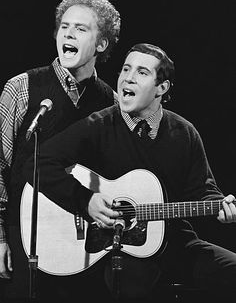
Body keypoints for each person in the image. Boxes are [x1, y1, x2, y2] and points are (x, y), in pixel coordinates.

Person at [23, 42, 236, 303]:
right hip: (117, 251)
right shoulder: (99, 125)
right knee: (132, 286)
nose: (128, 78)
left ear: (162, 88)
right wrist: (85, 200)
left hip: (175, 244)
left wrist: (219, 206)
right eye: (126, 68)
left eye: (142, 72)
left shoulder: (184, 132)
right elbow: (39, 161)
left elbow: (203, 191)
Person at [0, 0, 121, 302]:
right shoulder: (22, 88)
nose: (69, 33)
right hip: (24, 241)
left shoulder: (111, 103)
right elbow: (0, 167)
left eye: (81, 29)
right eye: (65, 26)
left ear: (102, 43)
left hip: (83, 248)